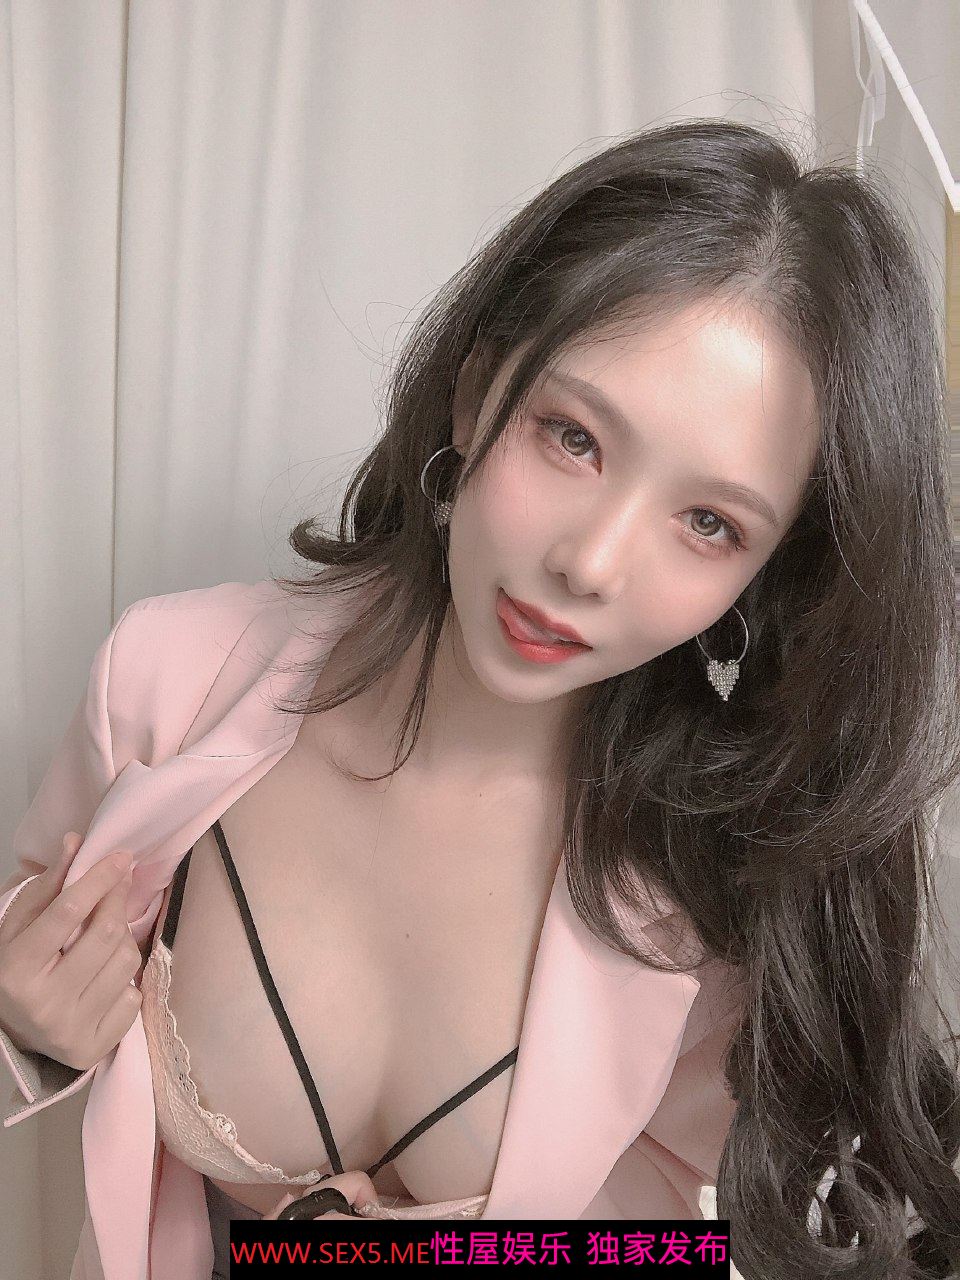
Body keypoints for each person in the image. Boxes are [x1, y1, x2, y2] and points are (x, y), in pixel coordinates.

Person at [1, 119, 958, 1280]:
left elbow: (694, 1229)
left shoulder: (722, 885)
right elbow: (32, 962)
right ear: (472, 395)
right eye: (574, 437)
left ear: (763, 574)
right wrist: (25, 1035)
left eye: (709, 522)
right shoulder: (169, 681)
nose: (591, 562)